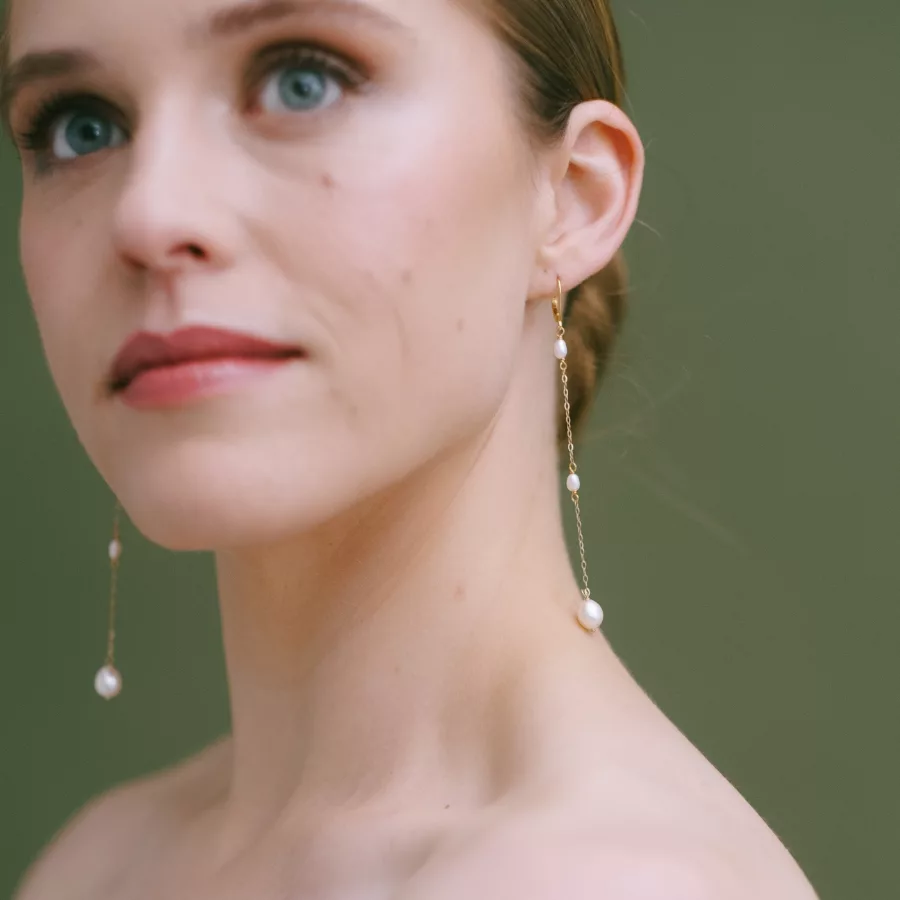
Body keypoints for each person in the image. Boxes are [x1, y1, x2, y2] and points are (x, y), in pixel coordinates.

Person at [2, 0, 818, 896]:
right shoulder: (99, 865)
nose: (147, 215)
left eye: (300, 81)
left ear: (573, 197)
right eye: (80, 127)